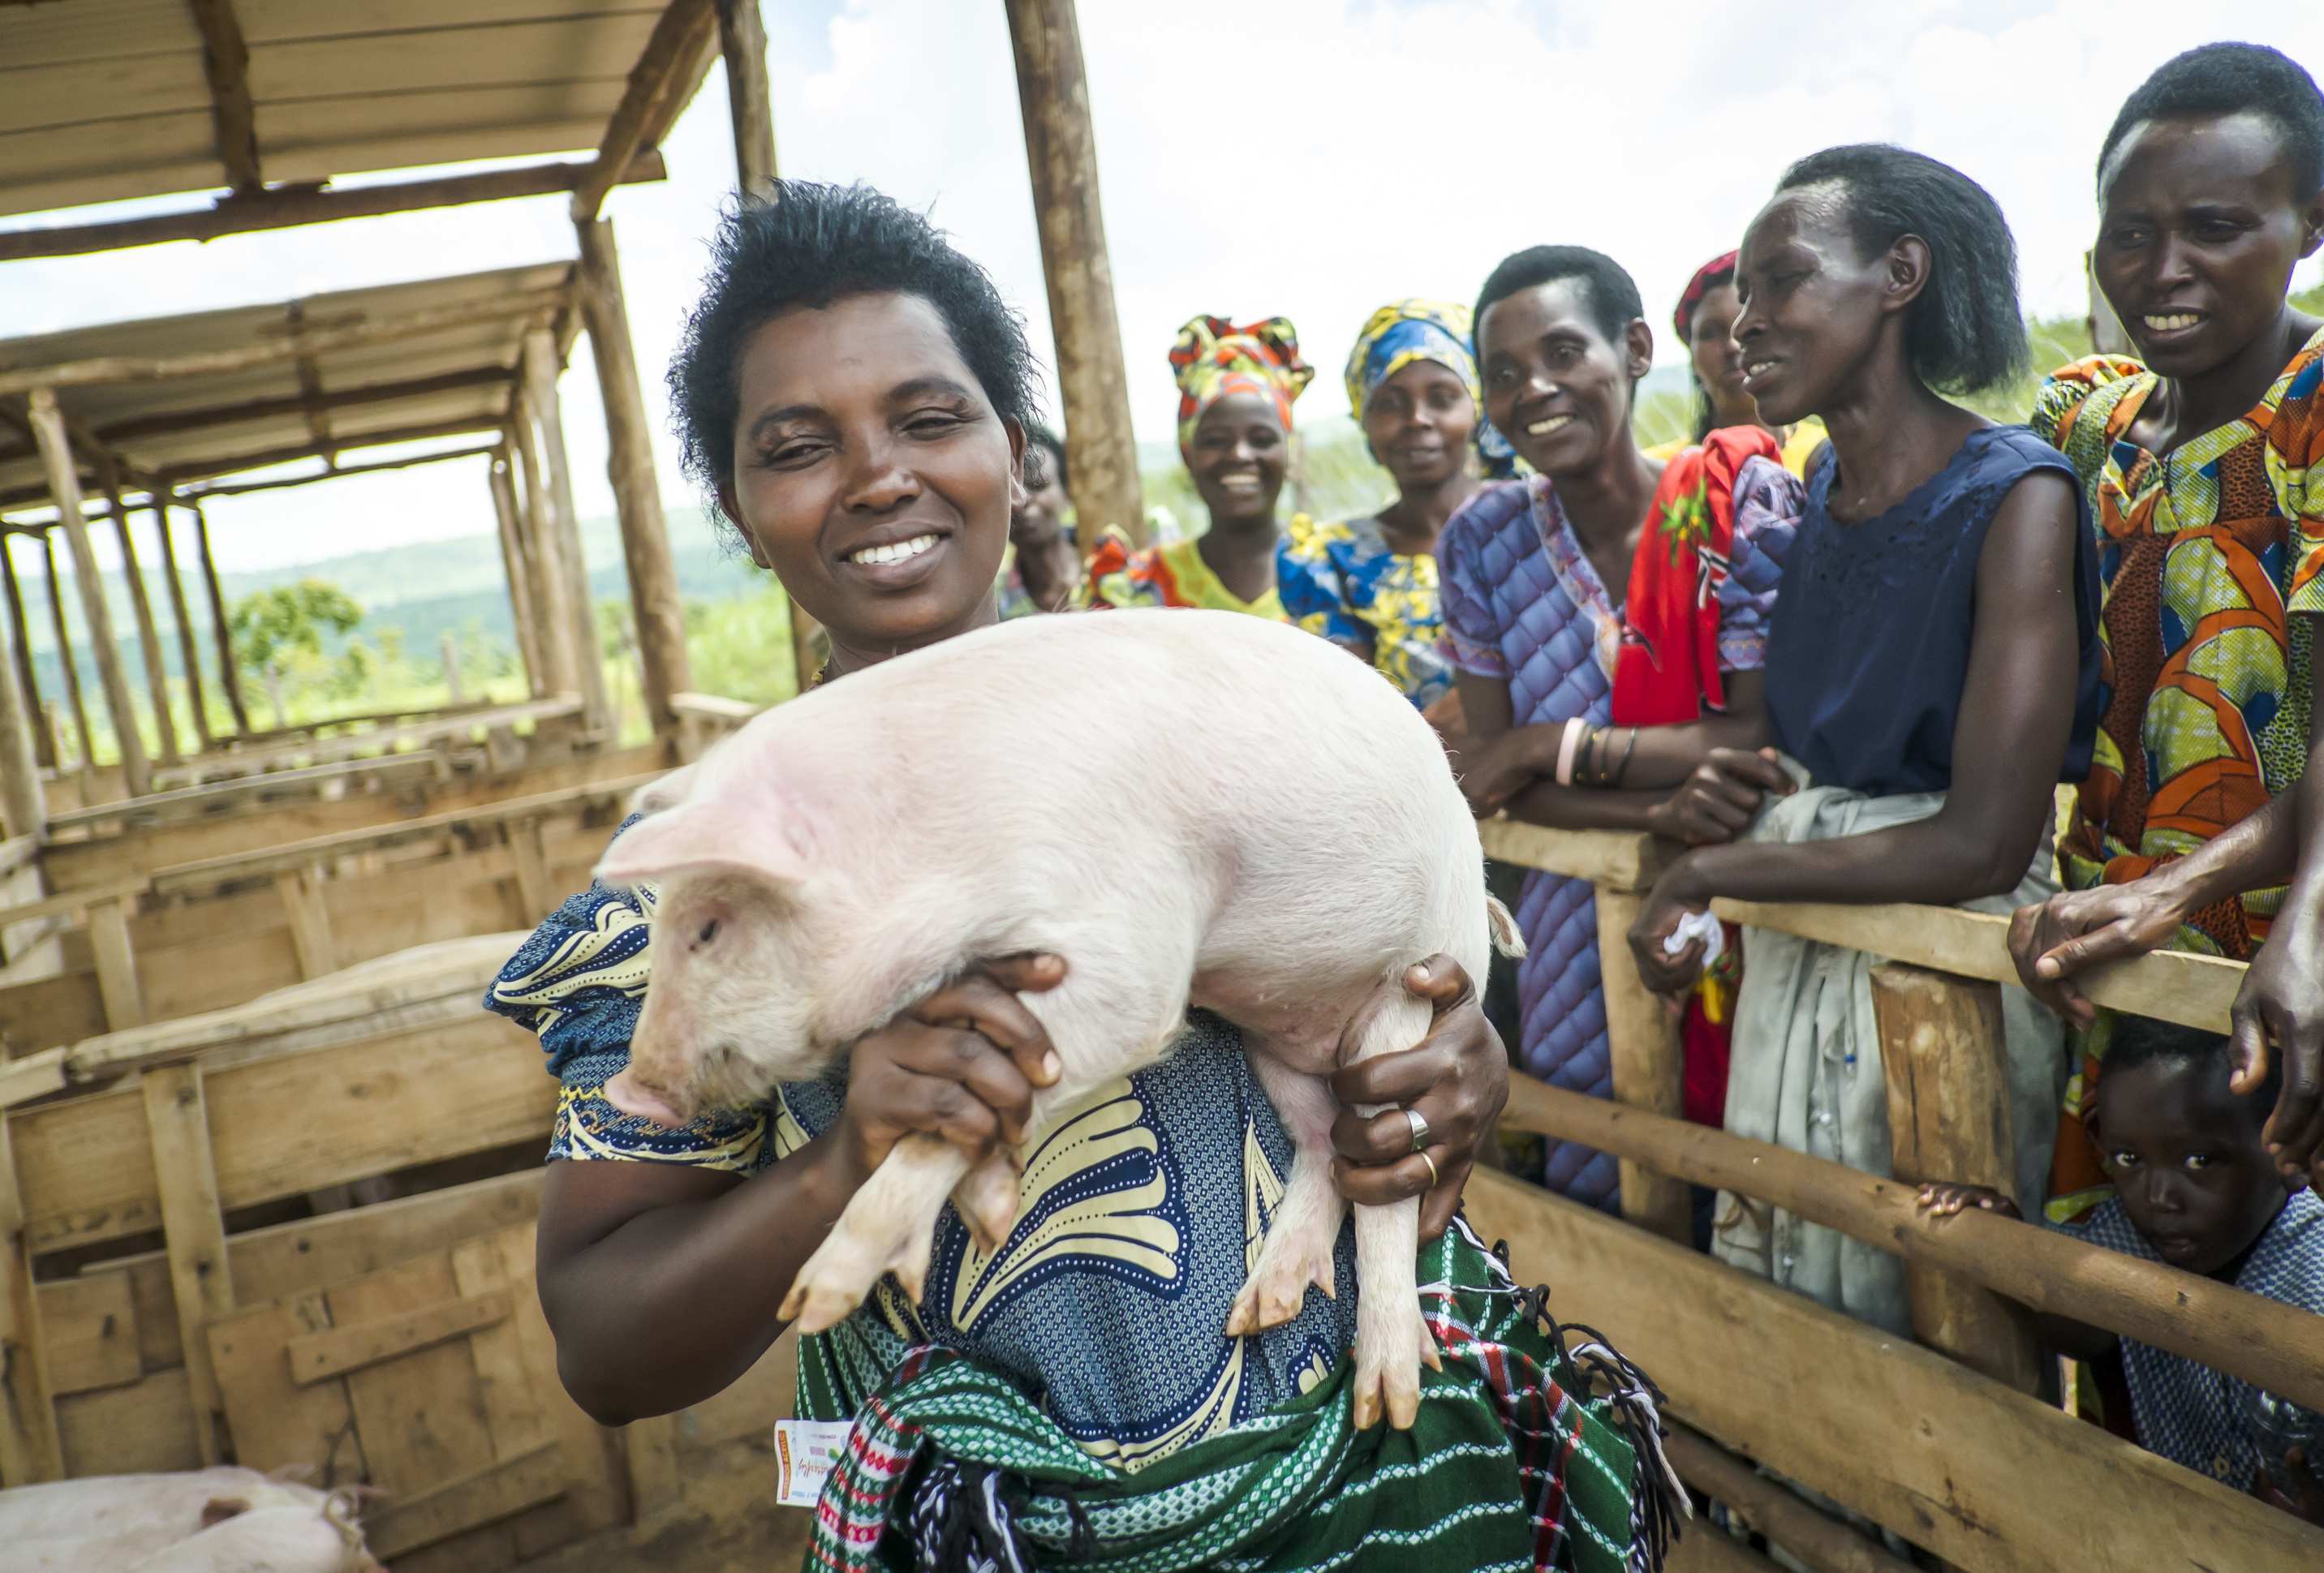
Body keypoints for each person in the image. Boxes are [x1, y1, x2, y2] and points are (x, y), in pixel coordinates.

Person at [485, 182, 1672, 1571]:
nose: (878, 477)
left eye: (930, 418)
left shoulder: (1202, 709)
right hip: (1008, 1531)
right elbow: (608, 1343)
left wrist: (1455, 1063)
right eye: (797, 448)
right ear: (743, 513)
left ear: (1012, 450)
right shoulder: (700, 879)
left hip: (1392, 1471)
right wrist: (850, 1157)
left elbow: (1383, 947)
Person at [1622, 144, 2103, 1335]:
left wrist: (1714, 871)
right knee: (1804, 1302)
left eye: (1782, 281)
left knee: (1943, 1314)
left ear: (1900, 275)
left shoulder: (2018, 496)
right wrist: (1711, 824)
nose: (1746, 322)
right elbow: (1800, 747)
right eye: (1741, 295)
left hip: (1942, 980)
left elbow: (1983, 841)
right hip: (1812, 947)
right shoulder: (1822, 487)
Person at [2003, 43, 2324, 1219]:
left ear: (2314, 220)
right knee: (2125, 1282)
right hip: (2118, 945)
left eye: (2216, 228)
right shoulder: (2086, 425)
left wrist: (2315, 925)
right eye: (2131, 234)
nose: (2165, 270)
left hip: (2323, 942)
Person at [1435, 244, 1805, 1218]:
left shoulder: (1735, 504)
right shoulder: (1483, 541)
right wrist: (1659, 808)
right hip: (1572, 936)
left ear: (1636, 349)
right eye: (1504, 373)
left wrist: (1545, 745)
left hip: (1750, 898)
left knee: (1763, 1179)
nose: (1534, 389)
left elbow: (1756, 738)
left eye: (1563, 353)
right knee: (1603, 1199)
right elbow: (1491, 784)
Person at [1917, 1015, 2324, 1538]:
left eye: (2199, 1160)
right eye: (2129, 1159)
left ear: (2289, 1153)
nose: (2157, 1197)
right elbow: (2083, 1326)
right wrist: (2004, 1241)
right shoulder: (2128, 1234)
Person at [1277, 299, 1499, 716]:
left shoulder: (1534, 523)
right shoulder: (1332, 560)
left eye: (1442, 398)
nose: (1417, 419)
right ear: (1364, 421)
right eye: (1391, 403)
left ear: (1476, 408)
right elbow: (1344, 717)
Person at [1088, 315, 1314, 616]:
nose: (1240, 455)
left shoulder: (1339, 574)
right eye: (1215, 440)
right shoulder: (1137, 592)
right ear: (1187, 454)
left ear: (1288, 451)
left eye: (1261, 439)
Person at [1646, 251, 1827, 477]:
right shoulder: (1661, 473)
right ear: (1692, 357)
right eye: (1710, 333)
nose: (1733, 345)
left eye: (1746, 325)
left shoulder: (1830, 459)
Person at [996, 420, 1082, 617]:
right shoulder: (996, 606)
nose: (1023, 500)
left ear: (1067, 492)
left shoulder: (1120, 562)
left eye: (1039, 486)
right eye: (1008, 491)